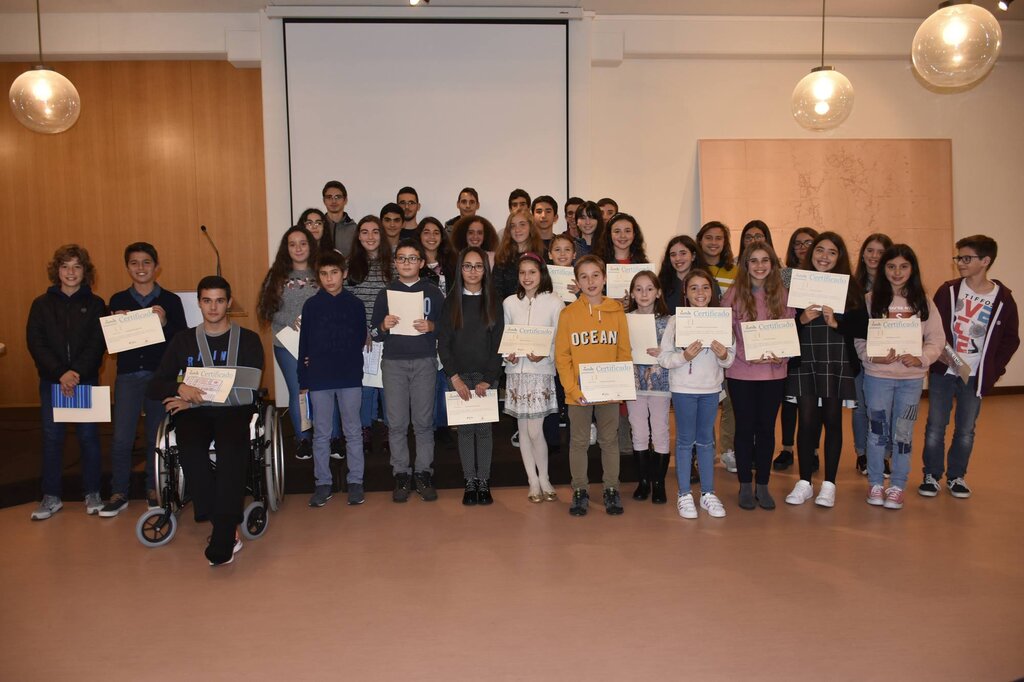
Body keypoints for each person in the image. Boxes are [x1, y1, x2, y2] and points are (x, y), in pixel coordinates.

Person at [147, 276, 264, 565]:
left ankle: (222, 537)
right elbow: (155, 384)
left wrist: (192, 396)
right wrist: (179, 388)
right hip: (194, 414)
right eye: (207, 300)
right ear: (199, 303)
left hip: (233, 411)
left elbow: (248, 390)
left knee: (231, 451)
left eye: (219, 300)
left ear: (229, 302)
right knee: (190, 449)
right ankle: (224, 524)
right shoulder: (183, 341)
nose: (213, 307)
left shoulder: (249, 340)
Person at [919, 235, 1019, 499]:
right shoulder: (949, 290)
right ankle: (931, 475)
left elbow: (1011, 339)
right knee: (935, 426)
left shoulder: (1003, 298)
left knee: (965, 429)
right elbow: (931, 326)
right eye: (958, 257)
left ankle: (957, 477)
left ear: (985, 261)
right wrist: (936, 352)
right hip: (944, 371)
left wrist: (994, 369)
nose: (960, 263)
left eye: (966, 258)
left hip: (974, 375)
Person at [101, 242, 187, 516]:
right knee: (122, 438)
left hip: (159, 377)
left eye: (146, 262)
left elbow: (182, 340)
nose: (140, 267)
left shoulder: (170, 301)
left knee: (155, 436)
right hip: (127, 376)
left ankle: (153, 488)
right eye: (134, 263)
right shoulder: (117, 300)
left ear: (156, 267)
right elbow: (109, 344)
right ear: (127, 267)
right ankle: (119, 491)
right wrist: (115, 324)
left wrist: (165, 323)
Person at [856, 244, 944, 510]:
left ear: (912, 269)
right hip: (877, 378)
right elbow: (859, 338)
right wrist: (873, 357)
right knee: (877, 432)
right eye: (891, 266)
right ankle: (875, 482)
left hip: (911, 380)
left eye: (904, 266)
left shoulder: (923, 302)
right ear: (883, 269)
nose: (897, 272)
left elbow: (936, 339)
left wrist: (922, 358)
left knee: (903, 433)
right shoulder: (870, 300)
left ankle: (897, 485)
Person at [783, 232, 867, 509]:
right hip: (805, 359)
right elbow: (782, 325)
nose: (824, 256)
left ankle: (829, 484)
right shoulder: (797, 285)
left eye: (832, 252)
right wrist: (801, 319)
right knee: (806, 421)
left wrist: (837, 324)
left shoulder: (850, 287)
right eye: (820, 250)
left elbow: (863, 327)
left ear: (839, 257)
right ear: (811, 252)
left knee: (832, 420)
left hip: (836, 359)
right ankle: (804, 482)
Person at [27, 245, 107, 521]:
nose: (70, 272)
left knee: (88, 437)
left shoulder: (96, 304)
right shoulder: (41, 304)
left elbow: (98, 343)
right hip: (53, 382)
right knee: (52, 438)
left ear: (85, 271)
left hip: (84, 381)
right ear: (56, 270)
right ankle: (51, 497)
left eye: (77, 266)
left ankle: (93, 493)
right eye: (65, 266)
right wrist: (61, 373)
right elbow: (36, 343)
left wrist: (76, 374)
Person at [555, 255, 632, 517]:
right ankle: (580, 490)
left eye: (595, 275)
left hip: (609, 390)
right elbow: (562, 356)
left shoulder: (616, 311)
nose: (590, 281)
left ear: (605, 278)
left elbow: (624, 351)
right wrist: (572, 389)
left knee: (609, 440)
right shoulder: (568, 314)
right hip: (578, 393)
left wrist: (620, 386)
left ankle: (611, 488)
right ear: (576, 282)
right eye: (584, 277)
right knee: (578, 442)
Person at [370, 239, 446, 503]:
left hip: (425, 362)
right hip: (394, 364)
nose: (406, 263)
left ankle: (423, 472)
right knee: (397, 423)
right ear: (395, 263)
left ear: (422, 263)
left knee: (424, 423)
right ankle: (401, 473)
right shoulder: (386, 294)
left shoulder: (433, 292)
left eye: (412, 258)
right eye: (401, 258)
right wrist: (383, 325)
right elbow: (374, 334)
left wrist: (432, 327)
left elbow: (447, 328)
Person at [722, 242, 795, 511]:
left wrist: (782, 356)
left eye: (765, 260)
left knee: (766, 429)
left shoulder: (783, 295)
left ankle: (762, 484)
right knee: (744, 428)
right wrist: (746, 356)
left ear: (773, 264)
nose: (760, 265)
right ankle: (744, 484)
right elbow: (726, 336)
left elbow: (789, 332)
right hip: (741, 373)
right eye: (753, 260)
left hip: (774, 373)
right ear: (745, 265)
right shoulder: (732, 295)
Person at [658, 269, 734, 519]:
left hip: (710, 390)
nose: (700, 293)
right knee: (684, 441)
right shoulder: (676, 321)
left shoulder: (721, 320)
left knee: (706, 442)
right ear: (686, 292)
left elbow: (730, 359)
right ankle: (684, 495)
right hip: (683, 390)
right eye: (694, 288)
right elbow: (664, 358)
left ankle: (708, 493)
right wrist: (684, 356)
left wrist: (723, 355)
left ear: (712, 291)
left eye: (705, 287)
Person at [299, 251, 367, 507]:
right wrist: (303, 378)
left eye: (334, 273)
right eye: (324, 274)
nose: (329, 279)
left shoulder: (355, 305)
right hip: (319, 378)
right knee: (321, 434)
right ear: (318, 277)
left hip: (349, 377)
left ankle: (356, 481)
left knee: (353, 432)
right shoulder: (311, 306)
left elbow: (359, 338)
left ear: (344, 274)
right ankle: (323, 483)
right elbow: (304, 344)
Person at [438, 247, 505, 505]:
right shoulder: (451, 302)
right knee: (466, 431)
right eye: (468, 266)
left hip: (487, 377)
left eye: (478, 266)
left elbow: (498, 343)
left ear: (485, 270)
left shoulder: (494, 302)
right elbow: (444, 343)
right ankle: (470, 481)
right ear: (460, 269)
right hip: (459, 377)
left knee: (484, 431)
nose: (473, 271)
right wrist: (454, 378)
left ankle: (484, 481)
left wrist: (489, 378)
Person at [256, 226, 321, 461]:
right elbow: (267, 308)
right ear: (286, 248)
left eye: (303, 243)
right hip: (287, 344)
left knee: (321, 392)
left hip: (319, 344)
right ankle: (303, 440)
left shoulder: (321, 272)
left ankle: (327, 438)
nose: (298, 248)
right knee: (298, 391)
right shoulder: (277, 275)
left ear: (310, 246)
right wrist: (289, 320)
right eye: (292, 244)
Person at [503, 253, 563, 503]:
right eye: (522, 272)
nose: (527, 277)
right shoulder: (509, 303)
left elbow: (560, 339)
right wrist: (508, 356)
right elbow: (506, 337)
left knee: (535, 430)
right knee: (523, 431)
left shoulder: (555, 302)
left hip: (540, 374)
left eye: (532, 272)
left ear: (542, 274)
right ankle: (533, 481)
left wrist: (545, 354)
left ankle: (545, 478)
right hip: (516, 375)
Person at [773, 226, 821, 472]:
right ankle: (787, 448)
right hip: (791, 340)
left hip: (818, 343)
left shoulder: (824, 275)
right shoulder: (784, 275)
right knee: (789, 400)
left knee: (815, 403)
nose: (803, 247)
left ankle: (812, 450)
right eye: (798, 243)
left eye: (808, 242)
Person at [624, 271, 672, 504]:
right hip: (633, 384)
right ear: (632, 294)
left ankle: (659, 483)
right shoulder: (625, 319)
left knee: (660, 431)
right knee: (639, 432)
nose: (644, 294)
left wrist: (664, 352)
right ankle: (643, 481)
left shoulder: (670, 321)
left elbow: (678, 352)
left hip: (660, 383)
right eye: (639, 289)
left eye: (649, 289)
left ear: (658, 292)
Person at [347, 216, 393, 452]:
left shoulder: (392, 264)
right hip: (361, 338)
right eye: (364, 232)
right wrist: (362, 332)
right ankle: (365, 428)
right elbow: (346, 303)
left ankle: (388, 428)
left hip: (388, 335)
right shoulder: (349, 266)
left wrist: (384, 330)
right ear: (358, 236)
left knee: (387, 387)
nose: (370, 236)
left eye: (375, 231)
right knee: (364, 387)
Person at [848, 232, 893, 475]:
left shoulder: (897, 286)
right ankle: (862, 454)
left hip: (888, 359)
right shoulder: (852, 285)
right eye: (870, 250)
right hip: (859, 357)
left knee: (885, 410)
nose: (874, 256)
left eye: (880, 252)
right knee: (861, 408)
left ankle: (883, 455)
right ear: (863, 254)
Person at [697, 220, 738, 473]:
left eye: (719, 238)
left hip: (728, 340)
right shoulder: (695, 269)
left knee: (730, 399)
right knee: (706, 398)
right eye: (708, 237)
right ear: (700, 240)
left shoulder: (736, 271)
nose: (713, 242)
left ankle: (728, 449)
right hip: (699, 344)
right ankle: (707, 447)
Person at [493, 210, 544, 301]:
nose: (517, 230)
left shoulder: (542, 254)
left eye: (522, 224)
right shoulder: (502, 256)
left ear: (531, 227)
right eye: (513, 226)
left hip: (539, 306)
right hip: (507, 308)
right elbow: (496, 291)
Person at [658, 235, 713, 312]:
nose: (677, 258)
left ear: (693, 256)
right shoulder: (661, 285)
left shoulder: (709, 282)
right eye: (673, 255)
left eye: (683, 253)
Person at [322, 181, 357, 256]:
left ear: (345, 200)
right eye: (329, 197)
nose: (333, 201)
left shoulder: (354, 229)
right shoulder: (318, 227)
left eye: (338, 197)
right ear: (324, 200)